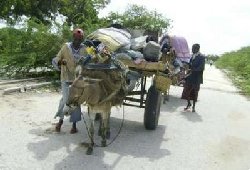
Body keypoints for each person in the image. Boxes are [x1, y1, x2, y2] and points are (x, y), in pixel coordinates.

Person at [52, 28, 88, 133]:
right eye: (76, 39)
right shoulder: (66, 47)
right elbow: (55, 59)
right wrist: (60, 62)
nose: (77, 41)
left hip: (77, 80)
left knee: (76, 100)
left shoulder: (84, 49)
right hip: (66, 77)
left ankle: (74, 125)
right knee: (66, 99)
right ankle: (61, 121)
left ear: (82, 40)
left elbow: (87, 61)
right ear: (73, 38)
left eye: (79, 40)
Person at [181, 43, 205, 112]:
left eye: (193, 49)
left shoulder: (202, 57)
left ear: (197, 49)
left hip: (197, 77)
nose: (192, 50)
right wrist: (186, 64)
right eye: (192, 48)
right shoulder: (192, 56)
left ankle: (193, 107)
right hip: (190, 76)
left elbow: (202, 68)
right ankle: (189, 104)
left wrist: (193, 70)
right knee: (186, 91)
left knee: (194, 93)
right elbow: (191, 65)